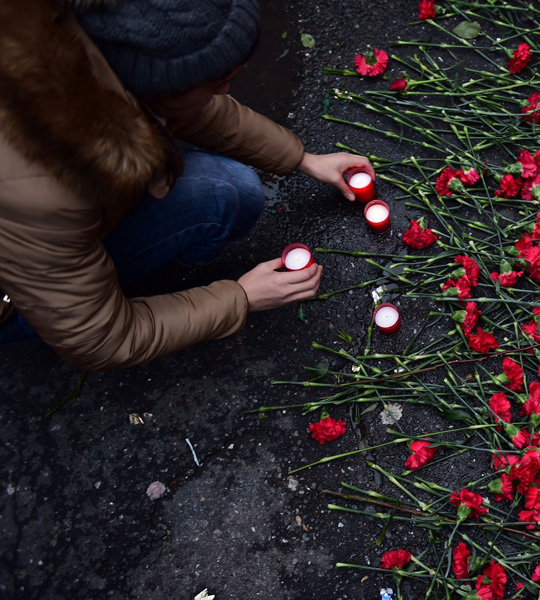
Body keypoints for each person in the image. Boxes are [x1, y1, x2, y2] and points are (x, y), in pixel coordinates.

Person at [0, 0, 374, 370]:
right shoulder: (39, 193)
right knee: (225, 194)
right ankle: (137, 294)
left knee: (232, 191)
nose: (227, 90)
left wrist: (302, 159)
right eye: (218, 83)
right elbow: (101, 340)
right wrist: (239, 298)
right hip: (17, 292)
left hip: (58, 234)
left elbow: (190, 104)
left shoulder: (91, 32)